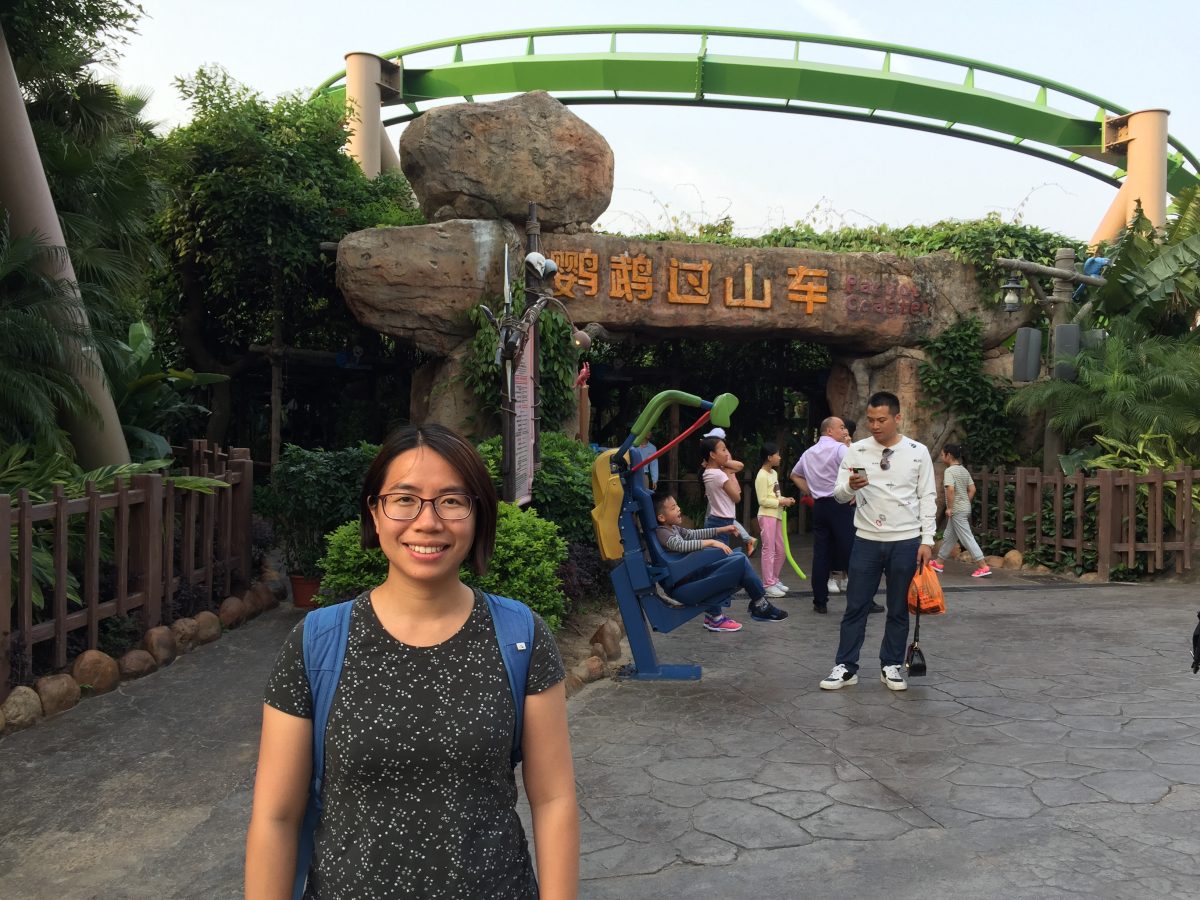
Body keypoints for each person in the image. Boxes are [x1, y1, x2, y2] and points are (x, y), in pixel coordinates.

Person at [246, 424, 579, 899]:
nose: (427, 522)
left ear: (478, 514)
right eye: (404, 499)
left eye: (451, 500)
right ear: (374, 512)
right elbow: (276, 817)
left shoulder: (520, 636)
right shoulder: (317, 642)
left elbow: (554, 800)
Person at [819, 392, 937, 693]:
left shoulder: (917, 451)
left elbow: (927, 496)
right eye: (870, 420)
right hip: (867, 540)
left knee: (898, 608)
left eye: (881, 420)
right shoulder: (856, 451)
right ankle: (846, 666)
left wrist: (927, 540)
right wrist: (850, 486)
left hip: (906, 541)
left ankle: (891, 665)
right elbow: (839, 495)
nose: (874, 426)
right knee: (855, 606)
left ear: (898, 418)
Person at [654, 492, 787, 626]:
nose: (678, 509)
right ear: (661, 517)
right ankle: (759, 605)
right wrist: (712, 542)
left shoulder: (673, 528)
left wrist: (722, 529)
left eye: (677, 505)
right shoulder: (662, 532)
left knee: (738, 557)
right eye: (673, 508)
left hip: (692, 576)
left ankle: (756, 605)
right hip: (685, 586)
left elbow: (693, 534)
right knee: (740, 563)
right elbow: (681, 545)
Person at [791, 417, 875, 615]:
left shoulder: (809, 453)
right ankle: (863, 600)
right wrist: (854, 493)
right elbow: (860, 474)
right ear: (830, 430)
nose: (844, 431)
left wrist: (810, 491)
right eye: (841, 427)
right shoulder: (840, 449)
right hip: (839, 504)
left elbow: (795, 474)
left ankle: (820, 601)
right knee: (852, 552)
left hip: (820, 506)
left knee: (821, 554)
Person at [929, 442, 991, 578]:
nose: (941, 457)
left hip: (956, 510)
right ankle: (938, 562)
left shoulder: (949, 471)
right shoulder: (963, 470)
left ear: (949, 455)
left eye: (942, 455)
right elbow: (972, 489)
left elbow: (950, 490)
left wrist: (950, 508)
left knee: (967, 538)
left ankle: (983, 566)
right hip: (963, 508)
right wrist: (964, 502)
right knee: (949, 536)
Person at [699, 431, 755, 556]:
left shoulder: (707, 472)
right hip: (722, 521)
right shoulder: (720, 475)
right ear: (712, 454)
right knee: (720, 557)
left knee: (715, 555)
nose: (727, 454)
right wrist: (727, 472)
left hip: (716, 518)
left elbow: (739, 465)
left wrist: (723, 464)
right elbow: (737, 498)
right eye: (723, 450)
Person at [754, 442, 796, 598]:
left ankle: (774, 579)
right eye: (777, 454)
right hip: (767, 516)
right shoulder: (761, 475)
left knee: (781, 550)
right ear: (769, 457)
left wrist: (785, 499)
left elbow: (775, 495)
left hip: (776, 515)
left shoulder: (773, 473)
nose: (779, 457)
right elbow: (762, 500)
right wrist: (781, 502)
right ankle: (767, 584)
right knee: (769, 550)